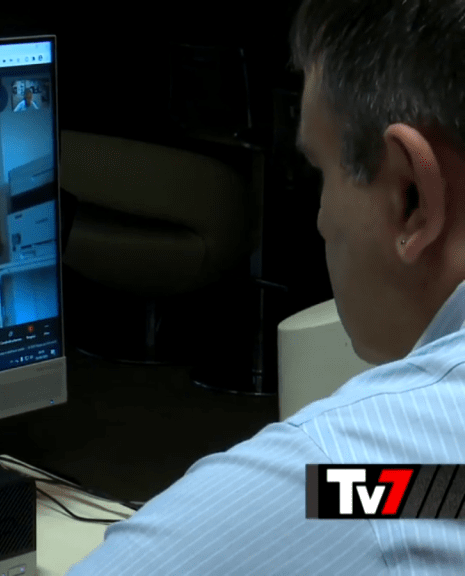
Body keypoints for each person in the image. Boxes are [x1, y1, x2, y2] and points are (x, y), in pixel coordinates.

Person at [67, 0, 465, 573]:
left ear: (411, 199)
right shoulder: (426, 487)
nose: (321, 218)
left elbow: (363, 500)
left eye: (320, 172)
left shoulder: (355, 479)